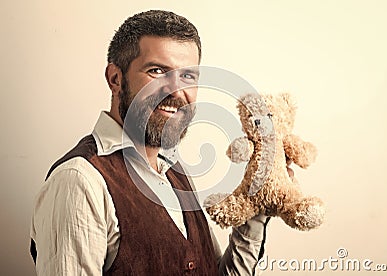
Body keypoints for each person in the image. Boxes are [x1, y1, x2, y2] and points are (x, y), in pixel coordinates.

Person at [30, 10, 275, 275]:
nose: (176, 92)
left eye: (188, 76)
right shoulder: (78, 180)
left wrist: (256, 207)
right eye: (157, 71)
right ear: (116, 79)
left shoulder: (174, 169)